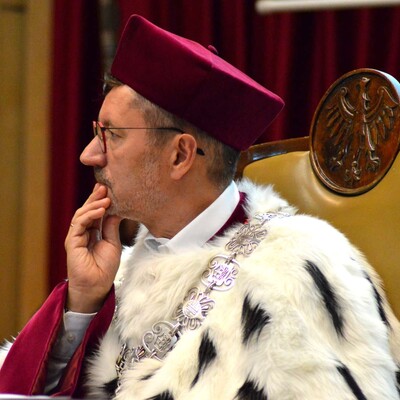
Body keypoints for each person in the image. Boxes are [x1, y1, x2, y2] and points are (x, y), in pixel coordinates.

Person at [0, 14, 399, 400]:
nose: (89, 155)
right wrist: (83, 301)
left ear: (180, 156)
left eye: (113, 135)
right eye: (97, 133)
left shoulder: (294, 272)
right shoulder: (121, 271)